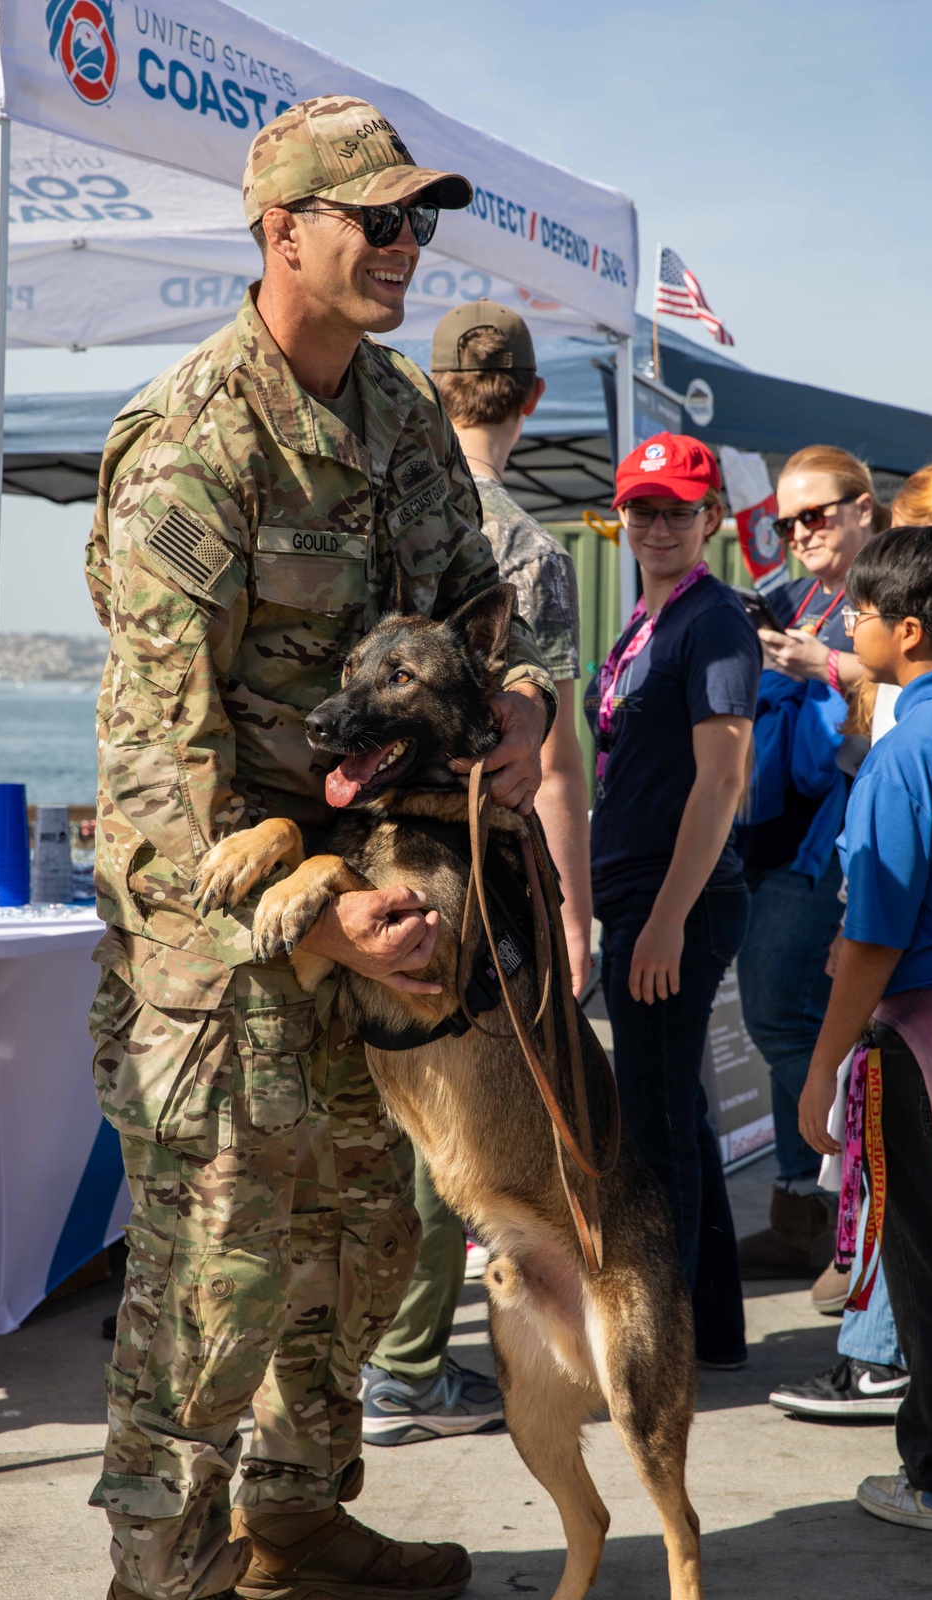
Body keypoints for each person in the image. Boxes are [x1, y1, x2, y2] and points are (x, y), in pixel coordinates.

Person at [85, 97, 557, 1600]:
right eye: (380, 219)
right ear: (284, 230)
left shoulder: (404, 418)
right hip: (226, 954)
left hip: (372, 931)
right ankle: (162, 1573)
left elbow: (481, 612)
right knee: (211, 1295)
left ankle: (294, 1523)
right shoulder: (193, 447)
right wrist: (317, 920)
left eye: (420, 222)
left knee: (351, 1254)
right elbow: (164, 767)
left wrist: (528, 706)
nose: (409, 248)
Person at [359, 301, 590, 1446]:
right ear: (532, 400)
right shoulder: (533, 554)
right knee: (462, 1115)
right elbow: (536, 764)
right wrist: (570, 915)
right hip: (474, 879)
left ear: (430, 387)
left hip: (364, 864)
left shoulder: (386, 522)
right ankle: (406, 1363)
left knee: (395, 1109)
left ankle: (381, 1358)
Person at [768, 459, 932, 1419]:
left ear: (912, 631)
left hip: (925, 1046)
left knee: (930, 1266)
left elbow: (874, 936)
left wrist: (824, 1065)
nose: (850, 625)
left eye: (865, 612)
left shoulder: (907, 755)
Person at [587, 432, 760, 1369]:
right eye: (642, 508)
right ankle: (712, 1329)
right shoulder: (650, 620)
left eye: (676, 510)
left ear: (710, 520)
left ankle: (661, 1348)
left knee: (654, 1133)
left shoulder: (714, 621)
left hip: (673, 903)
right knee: (676, 1114)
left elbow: (721, 780)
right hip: (645, 898)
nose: (657, 524)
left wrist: (664, 922)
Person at [735, 445, 888, 1285]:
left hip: (830, 846)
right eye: (785, 520)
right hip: (773, 841)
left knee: (788, 1017)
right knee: (795, 1020)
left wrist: (820, 663)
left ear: (865, 508)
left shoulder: (891, 594)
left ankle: (842, 1208)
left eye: (816, 514)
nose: (798, 532)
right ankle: (805, 1206)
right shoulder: (799, 595)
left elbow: (916, 680)